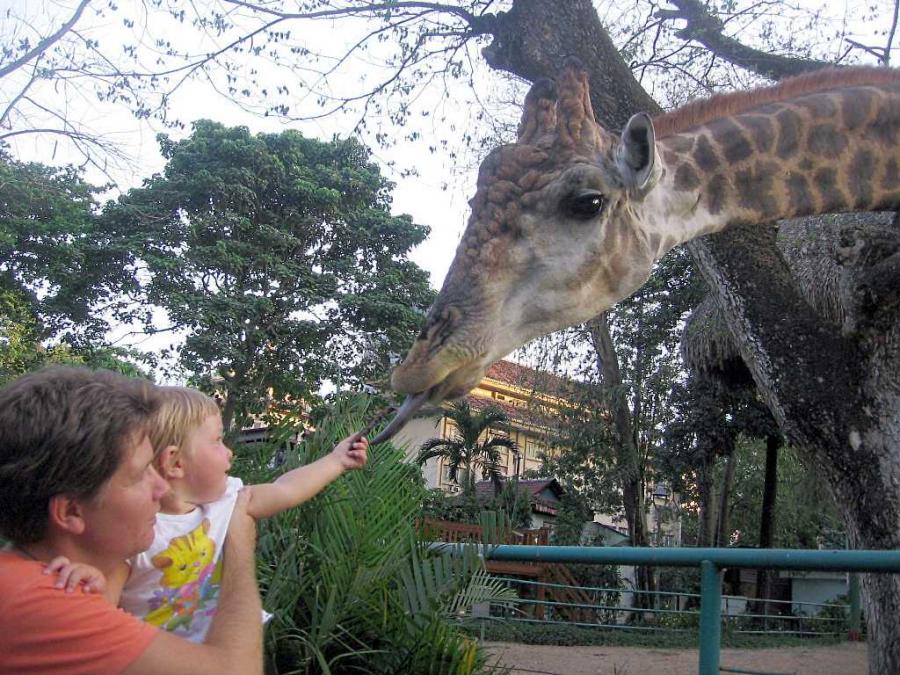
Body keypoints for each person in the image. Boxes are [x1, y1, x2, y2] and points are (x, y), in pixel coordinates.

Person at [50, 385, 369, 642]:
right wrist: (89, 582)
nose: (229, 451)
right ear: (175, 463)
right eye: (217, 441)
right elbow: (103, 619)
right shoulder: (140, 533)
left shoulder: (228, 499)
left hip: (226, 645)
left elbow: (286, 489)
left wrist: (335, 461)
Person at [0, 367, 263, 675]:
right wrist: (240, 550)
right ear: (71, 512)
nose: (162, 487)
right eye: (140, 475)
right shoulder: (41, 604)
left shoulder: (41, 584)